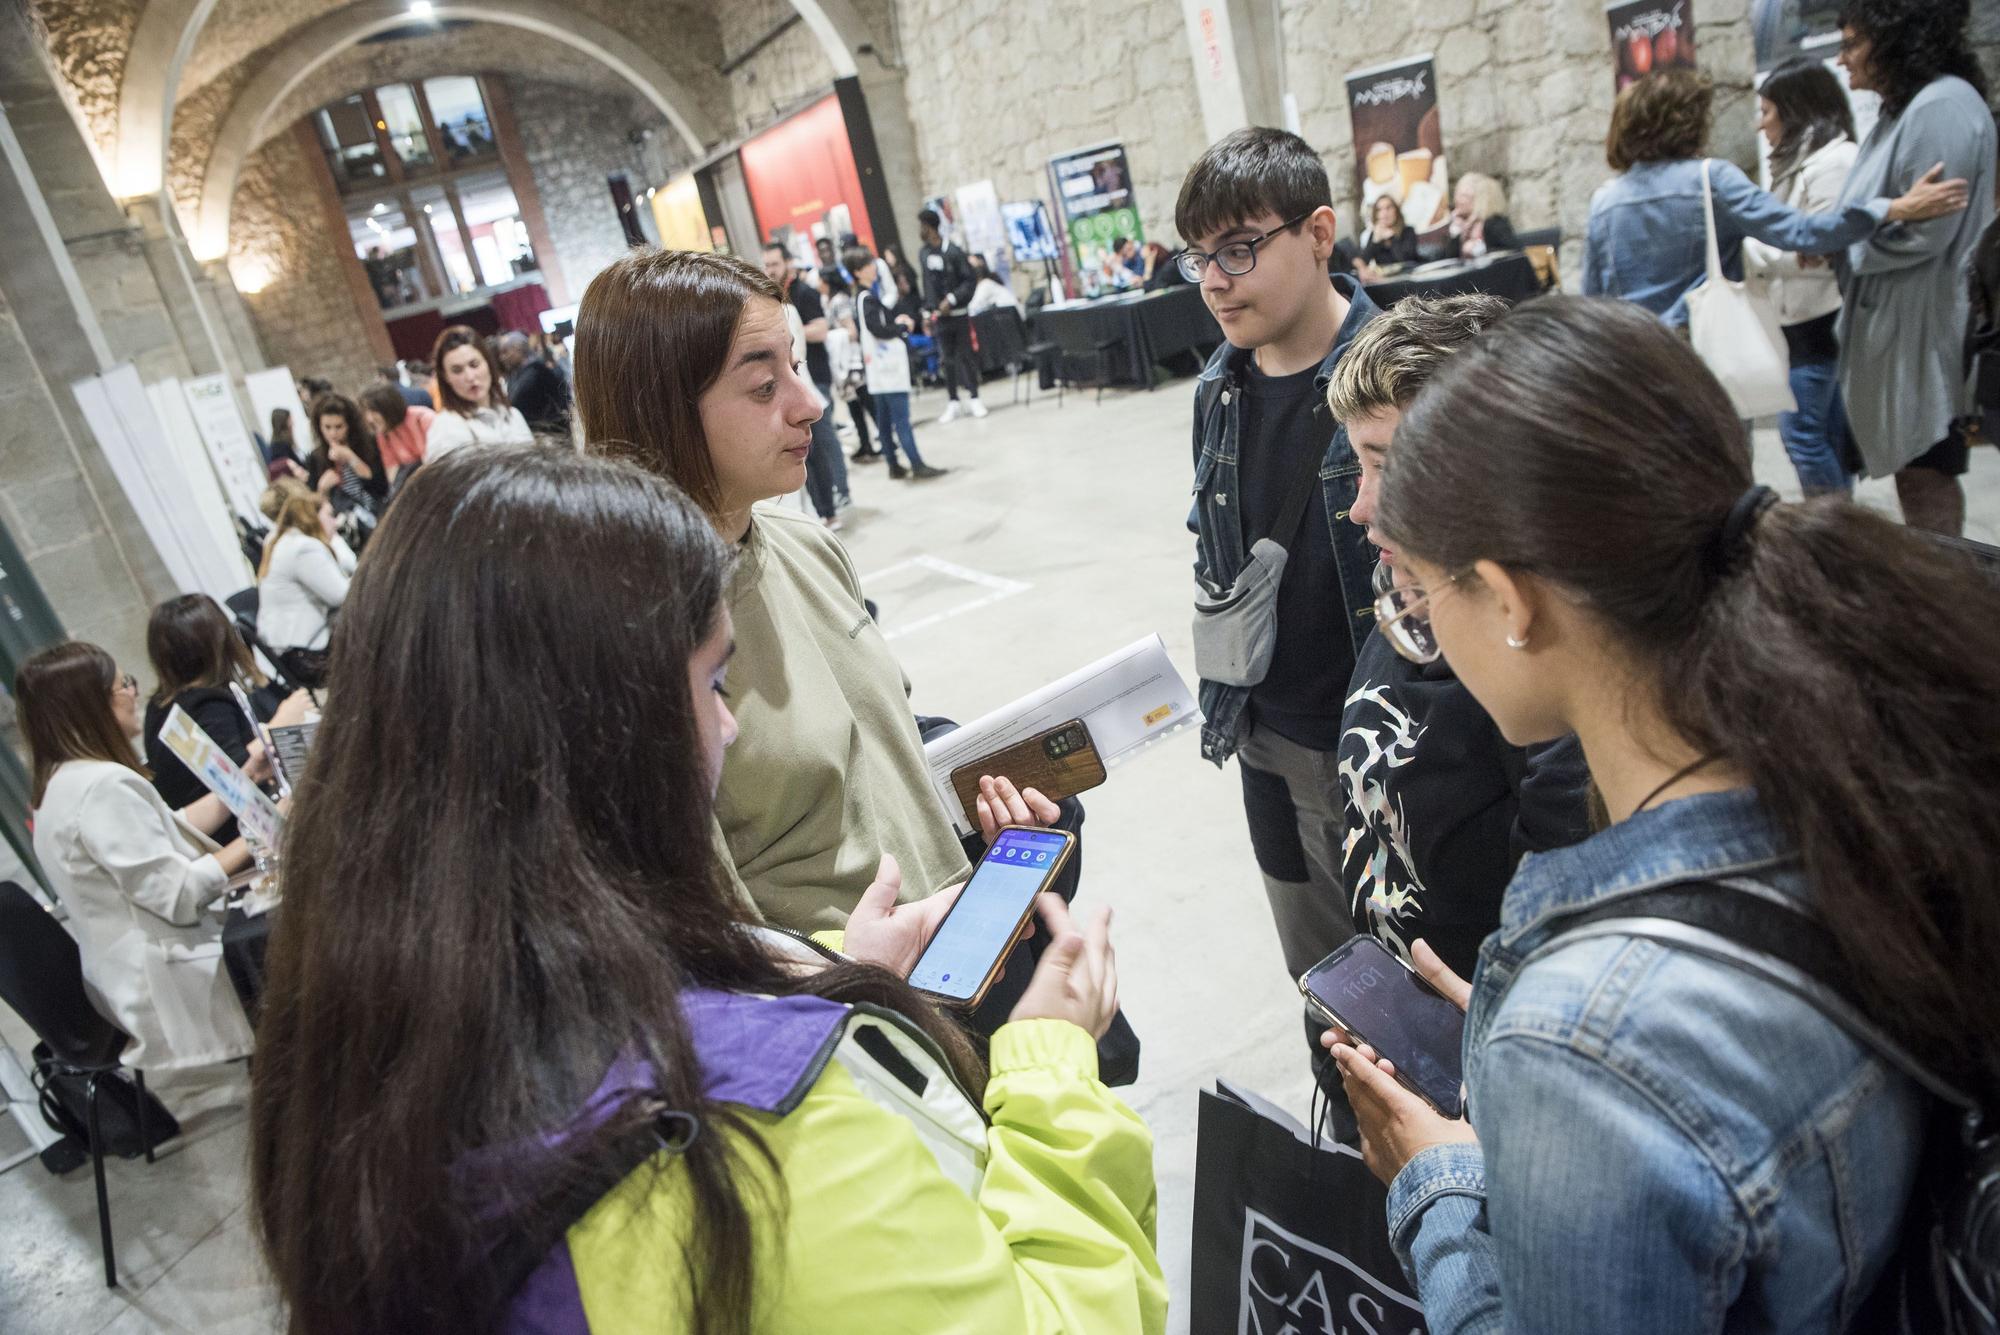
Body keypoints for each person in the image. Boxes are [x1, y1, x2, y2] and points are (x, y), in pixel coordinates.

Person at [247, 447, 1164, 1333]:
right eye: (712, 683)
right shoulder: (765, 1129)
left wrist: (834, 976)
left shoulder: (368, 1050)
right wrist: (1050, 1067)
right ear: (602, 731)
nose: (727, 726)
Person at [1328, 293, 2000, 1334]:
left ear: (1509, 601)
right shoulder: (1858, 761)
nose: (1399, 585)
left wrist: (1443, 1186)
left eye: (1420, 579)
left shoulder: (1589, 1047)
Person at [1324, 295, 1593, 981]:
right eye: (1361, 467)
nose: (1358, 507)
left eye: (1387, 466)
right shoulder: (1406, 595)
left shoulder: (1543, 694)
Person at [1175, 126, 1382, 995]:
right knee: (1325, 986)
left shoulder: (1400, 376)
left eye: (1240, 250)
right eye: (1199, 258)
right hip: (1264, 742)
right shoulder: (1216, 392)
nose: (1215, 281)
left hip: (1385, 750)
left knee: (1416, 987)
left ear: (1319, 234)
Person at [20, 641, 262, 1072]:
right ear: (91, 706)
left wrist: (244, 781)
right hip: (169, 983)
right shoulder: (101, 787)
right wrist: (271, 831)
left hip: (129, 976)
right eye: (122, 685)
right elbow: (181, 896)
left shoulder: (60, 784)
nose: (133, 693)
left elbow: (169, 825)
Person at [1582, 68, 1969, 327]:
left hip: (1635, 358)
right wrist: (1892, 208)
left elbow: (1592, 300)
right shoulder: (1710, 180)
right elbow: (1802, 232)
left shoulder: (1605, 201)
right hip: (1703, 350)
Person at [1832, 0, 1996, 536]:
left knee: (1926, 478)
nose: (1843, 59)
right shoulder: (1906, 108)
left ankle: (1949, 603)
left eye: (1853, 43)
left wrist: (1845, 244)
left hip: (1922, 331)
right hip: (1900, 326)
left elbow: (1926, 231)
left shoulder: (1938, 108)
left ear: (1895, 40)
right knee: (1916, 476)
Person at [1743, 58, 1861, 496]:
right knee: (1822, 434)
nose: (1761, 124)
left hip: (1816, 321)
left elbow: (1823, 250)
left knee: (1803, 437)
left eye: (1768, 111)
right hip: (1801, 320)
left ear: (1797, 109)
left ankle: (1832, 539)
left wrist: (1754, 249)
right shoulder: (1802, 162)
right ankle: (1841, 534)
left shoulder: (1832, 163)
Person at [141, 594, 304, 838]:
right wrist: (280, 723)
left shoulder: (160, 706)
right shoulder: (207, 704)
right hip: (236, 835)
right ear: (219, 639)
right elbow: (237, 776)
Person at [762, 242, 851, 517]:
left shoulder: (803, 293)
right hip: (795, 380)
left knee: (823, 442)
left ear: (788, 262)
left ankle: (840, 492)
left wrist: (790, 333)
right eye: (766, 264)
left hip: (815, 377)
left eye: (775, 264)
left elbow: (822, 330)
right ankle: (826, 503)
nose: (770, 270)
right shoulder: (777, 300)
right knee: (808, 450)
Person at [848, 245, 947, 480]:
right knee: (901, 420)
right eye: (867, 265)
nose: (874, 268)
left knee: (884, 421)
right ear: (858, 272)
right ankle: (916, 463)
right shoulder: (867, 298)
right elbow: (877, 329)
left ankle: (894, 465)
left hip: (879, 370)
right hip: (887, 369)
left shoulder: (863, 298)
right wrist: (901, 326)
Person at [257, 484, 354, 656]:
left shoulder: (279, 539)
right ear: (313, 516)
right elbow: (341, 595)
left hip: (288, 647)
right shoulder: (303, 548)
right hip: (308, 652)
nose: (335, 521)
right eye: (330, 515)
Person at [917, 209, 988, 421]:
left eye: (922, 226)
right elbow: (927, 284)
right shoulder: (924, 254)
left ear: (930, 227)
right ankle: (953, 401)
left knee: (966, 356)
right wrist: (929, 310)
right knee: (946, 360)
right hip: (940, 317)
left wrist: (953, 299)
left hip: (958, 314)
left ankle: (974, 397)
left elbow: (969, 281)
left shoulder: (954, 251)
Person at [424, 324, 533, 458]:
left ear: (487, 363)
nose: (470, 377)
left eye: (474, 364)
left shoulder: (513, 415)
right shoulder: (445, 429)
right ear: (446, 377)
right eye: (457, 370)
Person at [820, 267, 879, 462]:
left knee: (867, 403)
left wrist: (832, 336)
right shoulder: (829, 300)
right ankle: (865, 443)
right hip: (841, 363)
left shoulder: (839, 301)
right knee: (854, 406)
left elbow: (851, 331)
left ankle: (885, 440)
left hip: (851, 362)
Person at [305, 392, 388, 517]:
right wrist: (322, 488)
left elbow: (381, 486)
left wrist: (351, 457)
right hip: (346, 523)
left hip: (378, 513)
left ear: (349, 425)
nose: (333, 433)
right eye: (327, 427)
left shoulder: (369, 444)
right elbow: (313, 506)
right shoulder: (316, 457)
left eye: (339, 427)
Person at [495, 330, 572, 439]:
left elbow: (560, 395)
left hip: (551, 432)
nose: (502, 357)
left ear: (517, 348)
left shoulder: (537, 369)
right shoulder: (515, 374)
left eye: (505, 352)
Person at [358, 382, 433, 482]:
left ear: (388, 407)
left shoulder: (423, 418)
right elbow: (392, 473)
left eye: (373, 411)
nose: (369, 418)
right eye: (366, 412)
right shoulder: (383, 434)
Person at [1444, 172, 1519, 259]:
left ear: (1480, 199)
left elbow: (1512, 252)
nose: (1457, 200)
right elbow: (1449, 259)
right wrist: (1456, 233)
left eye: (1464, 196)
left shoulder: (1494, 223)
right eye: (1457, 195)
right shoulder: (1460, 224)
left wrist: (1479, 250)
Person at [1357, 194, 1420, 271]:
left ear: (1396, 210)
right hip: (1385, 280)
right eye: (1379, 210)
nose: (1384, 213)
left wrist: (1391, 237)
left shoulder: (1408, 231)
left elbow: (1406, 261)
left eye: (1388, 208)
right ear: (1376, 215)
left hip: (1407, 278)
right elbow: (1363, 263)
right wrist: (1374, 241)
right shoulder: (1375, 234)